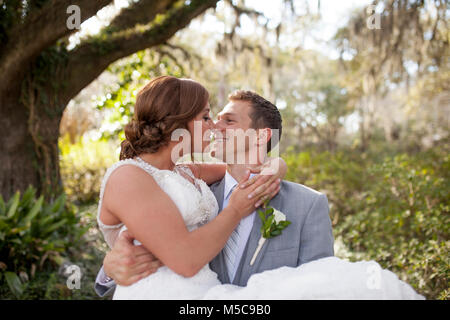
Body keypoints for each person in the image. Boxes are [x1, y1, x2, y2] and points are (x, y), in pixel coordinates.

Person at [95, 79, 424, 300]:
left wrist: (275, 165)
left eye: (226, 121)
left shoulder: (189, 172)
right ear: (178, 122)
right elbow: (170, 250)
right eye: (209, 117)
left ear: (260, 136)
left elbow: (316, 281)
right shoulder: (139, 176)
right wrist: (238, 207)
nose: (214, 127)